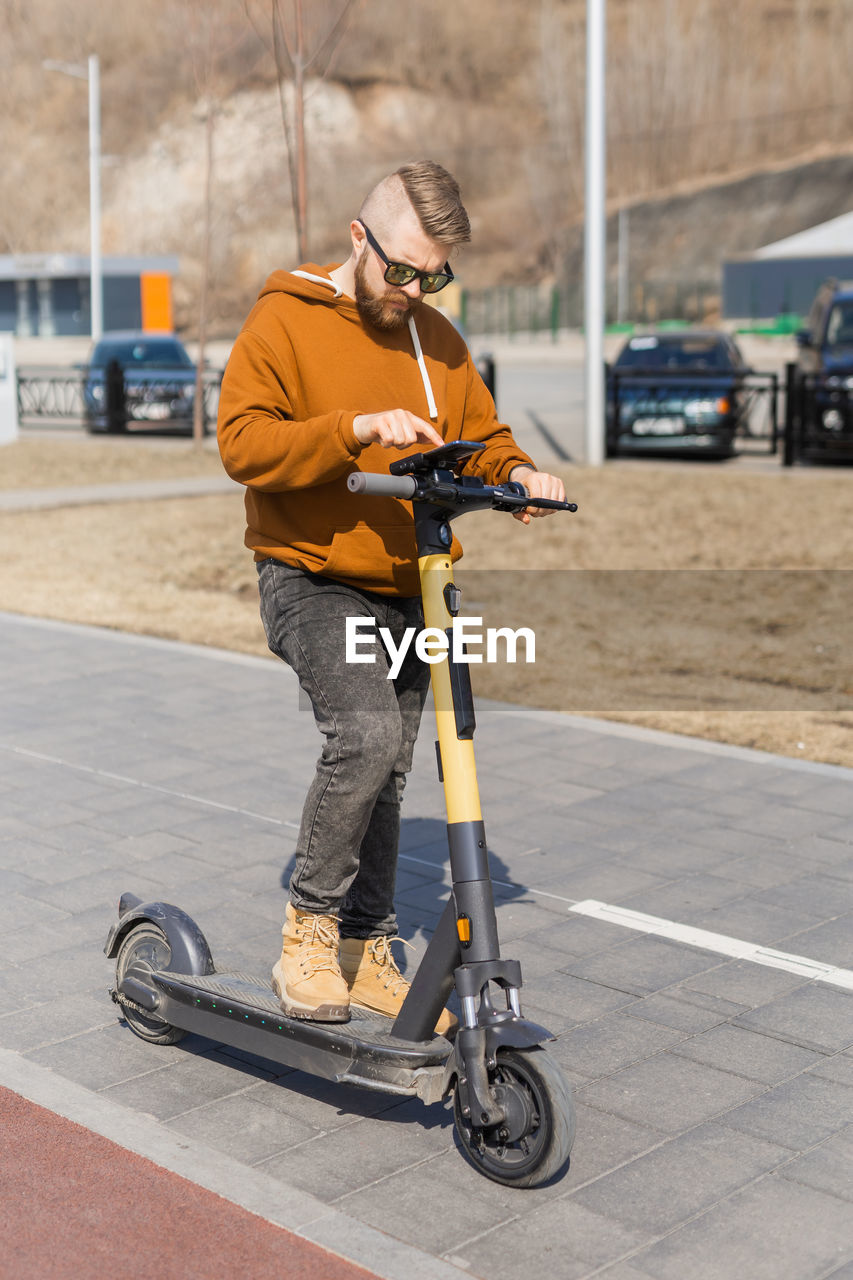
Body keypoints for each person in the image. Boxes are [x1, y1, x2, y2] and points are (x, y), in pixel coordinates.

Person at [217, 161, 566, 1033]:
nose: (412, 288)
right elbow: (242, 443)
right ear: (357, 238)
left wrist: (517, 475)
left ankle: (366, 944)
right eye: (400, 269)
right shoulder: (285, 320)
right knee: (365, 735)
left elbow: (481, 438)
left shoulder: (435, 340)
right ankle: (308, 930)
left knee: (396, 764)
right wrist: (354, 431)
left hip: (413, 584)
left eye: (432, 274)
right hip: (309, 575)